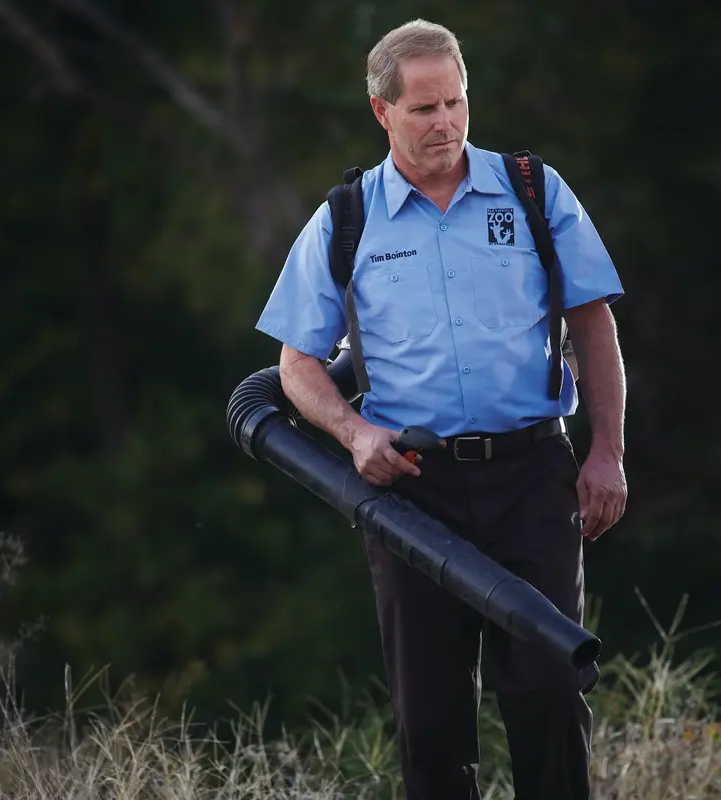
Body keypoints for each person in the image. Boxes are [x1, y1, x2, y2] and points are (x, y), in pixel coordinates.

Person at [255, 18, 627, 800]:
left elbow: (594, 322)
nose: (446, 124)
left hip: (532, 475)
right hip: (411, 493)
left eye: (456, 102)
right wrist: (355, 436)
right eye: (424, 109)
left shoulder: (532, 190)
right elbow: (294, 366)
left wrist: (605, 453)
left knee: (552, 693)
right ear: (381, 112)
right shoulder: (346, 218)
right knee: (431, 721)